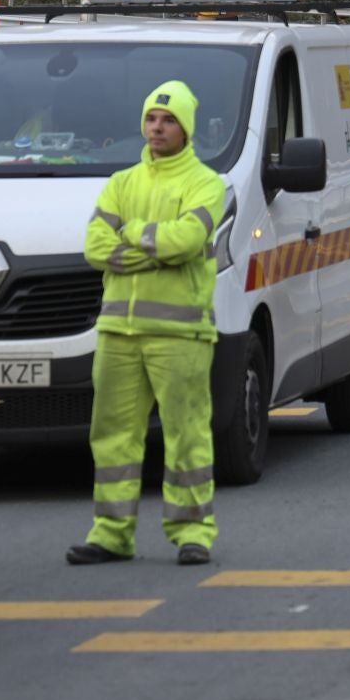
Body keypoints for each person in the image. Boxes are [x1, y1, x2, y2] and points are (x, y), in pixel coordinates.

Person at [70, 81, 229, 567]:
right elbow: (95, 247)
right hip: (119, 332)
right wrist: (150, 254)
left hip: (181, 334)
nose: (157, 127)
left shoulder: (206, 183)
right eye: (152, 119)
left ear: (186, 129)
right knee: (112, 434)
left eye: (169, 120)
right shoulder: (123, 182)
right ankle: (112, 533)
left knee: (187, 434)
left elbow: (186, 240)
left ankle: (193, 532)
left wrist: (131, 235)